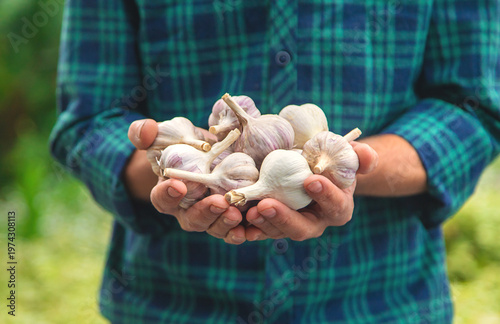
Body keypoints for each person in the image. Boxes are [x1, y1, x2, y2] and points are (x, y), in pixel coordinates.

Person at [50, 0, 500, 323]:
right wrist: (170, 167)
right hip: (172, 305)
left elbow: (475, 107)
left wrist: (356, 170)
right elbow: (89, 124)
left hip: (380, 303)